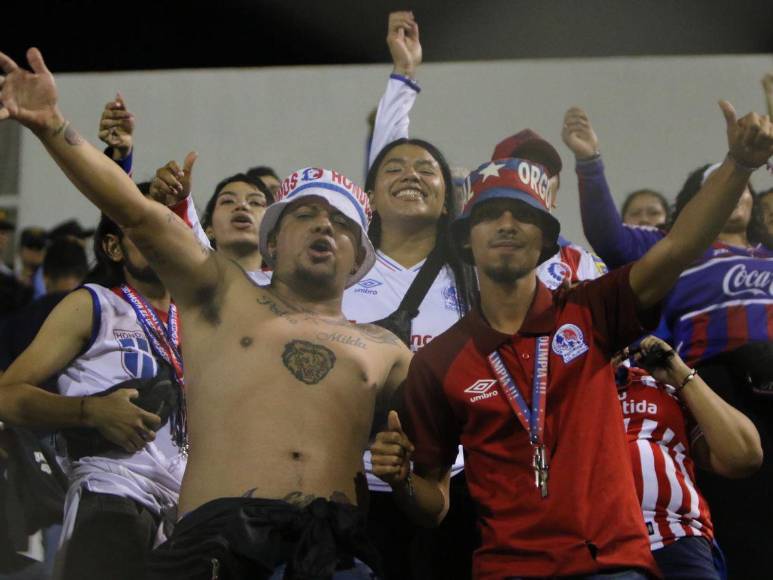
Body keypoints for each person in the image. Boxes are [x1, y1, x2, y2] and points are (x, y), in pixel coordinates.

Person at [0, 48, 413, 579]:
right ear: (273, 240)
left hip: (336, 554)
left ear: (359, 257)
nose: (324, 227)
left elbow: (434, 488)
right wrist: (52, 124)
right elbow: (135, 212)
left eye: (341, 224)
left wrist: (405, 479)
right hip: (214, 546)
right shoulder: (222, 293)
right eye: (305, 214)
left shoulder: (389, 350)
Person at [370, 100, 773, 578]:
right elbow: (434, 500)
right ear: (464, 238)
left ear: (545, 240)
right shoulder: (439, 361)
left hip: (614, 565)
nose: (505, 225)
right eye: (489, 214)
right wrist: (399, 483)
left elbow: (678, 246)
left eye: (522, 215)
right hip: (508, 570)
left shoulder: (592, 311)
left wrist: (740, 165)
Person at [563, 105, 773, 576]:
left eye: (740, 180)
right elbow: (609, 235)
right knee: (746, 521)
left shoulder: (769, 255)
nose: (734, 188)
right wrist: (590, 162)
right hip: (714, 387)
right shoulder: (672, 248)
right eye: (717, 179)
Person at [345, 13, 477, 579]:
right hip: (350, 481)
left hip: (459, 480)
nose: (410, 175)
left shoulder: (472, 277)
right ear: (369, 196)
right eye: (394, 170)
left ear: (450, 201)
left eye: (428, 170)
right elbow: (387, 153)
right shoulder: (342, 269)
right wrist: (402, 77)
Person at [0, 206, 184, 580]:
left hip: (186, 511)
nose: (158, 236)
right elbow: (6, 393)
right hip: (114, 492)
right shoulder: (95, 304)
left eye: (166, 226)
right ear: (114, 248)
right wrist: (89, 411)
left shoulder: (198, 320)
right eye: (142, 228)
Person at [370, 12, 606, 292]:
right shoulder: (467, 258)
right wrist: (404, 75)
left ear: (554, 195)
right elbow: (391, 174)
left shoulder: (582, 264)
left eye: (543, 173)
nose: (530, 180)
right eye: (519, 170)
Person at [617, 335, 762, 579]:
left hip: (678, 538)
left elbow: (744, 455)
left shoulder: (657, 384)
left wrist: (679, 372)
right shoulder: (554, 399)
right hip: (598, 548)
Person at [149, 157, 274, 283]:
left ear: (273, 230)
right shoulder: (186, 284)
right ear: (209, 230)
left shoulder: (289, 288)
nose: (242, 205)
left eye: (255, 202)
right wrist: (178, 202)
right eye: (228, 201)